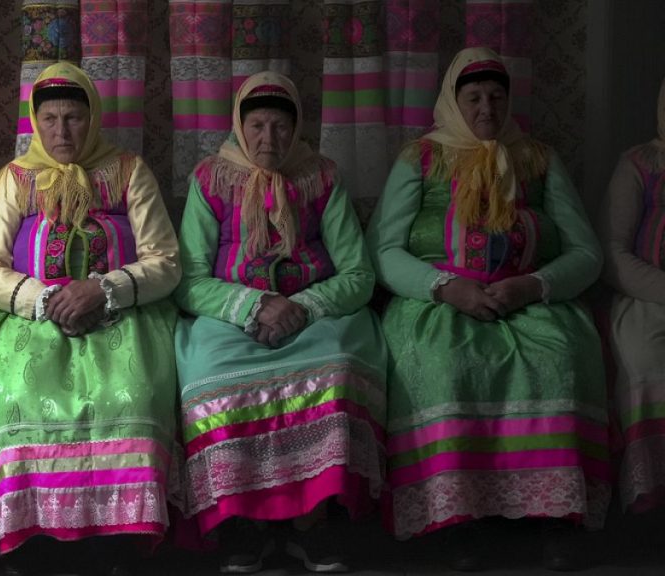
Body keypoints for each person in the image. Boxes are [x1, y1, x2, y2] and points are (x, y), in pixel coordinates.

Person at [366, 47, 608, 571]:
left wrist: (535, 285)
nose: (486, 109)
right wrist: (444, 288)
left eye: (497, 97)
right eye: (473, 97)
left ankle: (552, 514)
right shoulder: (421, 157)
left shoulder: (537, 158)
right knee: (444, 363)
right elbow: (382, 250)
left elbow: (587, 252)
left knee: (557, 358)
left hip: (526, 295)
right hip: (440, 299)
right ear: (454, 101)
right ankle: (457, 520)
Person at [172, 71, 388, 574]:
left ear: (297, 129)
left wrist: (303, 308)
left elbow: (358, 274)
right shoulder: (210, 179)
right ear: (239, 127)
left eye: (280, 128)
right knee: (209, 380)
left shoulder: (322, 177)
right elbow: (189, 280)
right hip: (231, 316)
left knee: (335, 371)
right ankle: (243, 522)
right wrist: (254, 305)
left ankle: (313, 520)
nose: (269, 140)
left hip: (315, 314)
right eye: (257, 127)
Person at [0, 62, 180, 576]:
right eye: (50, 119)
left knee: (129, 393)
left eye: (73, 118)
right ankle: (38, 541)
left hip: (120, 316)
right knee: (21, 398)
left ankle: (116, 543)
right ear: (34, 122)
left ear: (94, 118)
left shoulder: (129, 171)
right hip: (31, 320)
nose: (62, 132)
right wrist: (44, 300)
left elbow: (165, 261)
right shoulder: (14, 180)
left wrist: (103, 289)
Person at [600, 77, 665, 515]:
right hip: (648, 298)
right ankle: (654, 496)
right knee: (648, 363)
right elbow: (612, 253)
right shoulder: (640, 164)